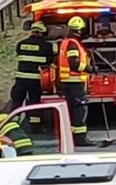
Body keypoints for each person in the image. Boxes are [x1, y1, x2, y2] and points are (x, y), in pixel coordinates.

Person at [57, 16, 95, 148]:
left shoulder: (67, 42)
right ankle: (80, 138)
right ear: (79, 30)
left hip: (69, 82)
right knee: (80, 109)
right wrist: (88, 68)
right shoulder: (73, 43)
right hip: (74, 82)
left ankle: (73, 137)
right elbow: (74, 63)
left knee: (74, 109)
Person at [10, 20, 53, 113]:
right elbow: (50, 61)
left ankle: (12, 122)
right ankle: (34, 123)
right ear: (43, 33)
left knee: (16, 103)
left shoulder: (20, 44)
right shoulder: (47, 46)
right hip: (36, 81)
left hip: (20, 80)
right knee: (34, 105)